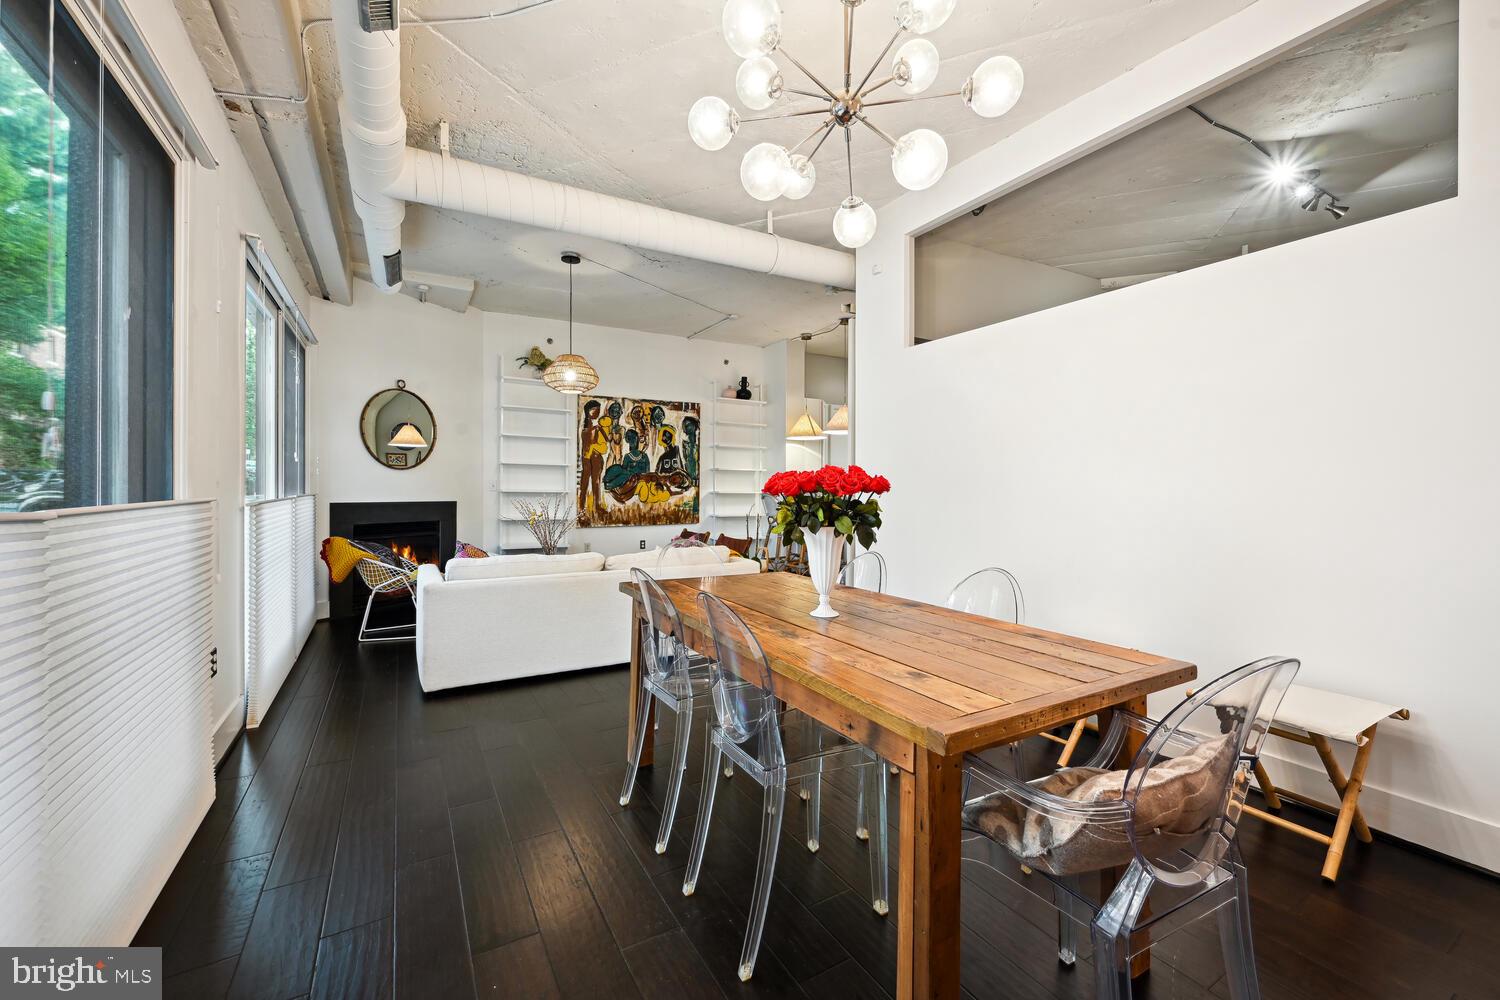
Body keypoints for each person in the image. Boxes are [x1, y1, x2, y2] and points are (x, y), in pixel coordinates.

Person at [578, 399, 608, 515]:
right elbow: (587, 443)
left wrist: (599, 430)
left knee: (596, 482)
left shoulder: (597, 427)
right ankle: (581, 507)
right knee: (584, 483)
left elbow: (605, 443)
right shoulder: (586, 427)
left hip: (596, 458)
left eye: (598, 410)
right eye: (595, 410)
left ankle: (597, 506)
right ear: (588, 411)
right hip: (587, 458)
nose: (597, 413)